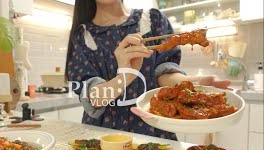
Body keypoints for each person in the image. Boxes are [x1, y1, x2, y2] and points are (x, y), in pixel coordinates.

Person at [65, 0, 230, 140]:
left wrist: (194, 84)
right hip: (104, 135)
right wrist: (124, 77)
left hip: (154, 129)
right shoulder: (82, 36)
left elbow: (165, 74)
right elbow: (92, 98)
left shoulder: (153, 20)